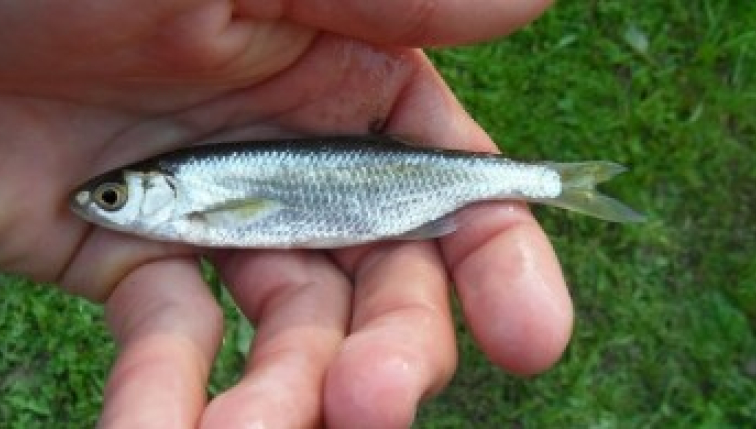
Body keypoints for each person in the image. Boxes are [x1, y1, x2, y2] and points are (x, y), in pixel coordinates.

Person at [0, 1, 572, 427]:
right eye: (110, 199)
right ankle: (554, 181)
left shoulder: (192, 188)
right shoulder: (187, 189)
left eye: (112, 199)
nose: (101, 208)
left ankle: (554, 183)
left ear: (159, 190)